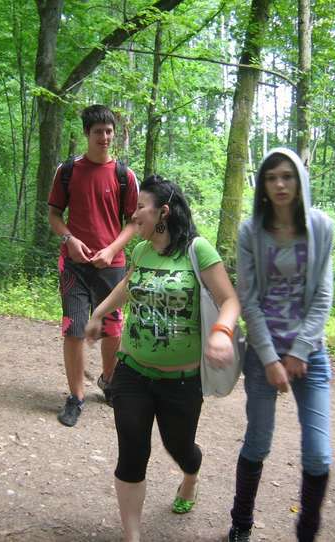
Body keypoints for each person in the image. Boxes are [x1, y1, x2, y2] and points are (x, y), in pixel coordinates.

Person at [85, 175, 240, 542]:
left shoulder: (198, 250)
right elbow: (127, 286)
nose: (134, 214)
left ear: (164, 212)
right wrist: (99, 313)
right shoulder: (140, 251)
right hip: (132, 372)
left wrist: (222, 332)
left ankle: (190, 476)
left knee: (180, 447)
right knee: (131, 452)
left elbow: (230, 300)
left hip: (181, 381)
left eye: (141, 207)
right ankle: (132, 536)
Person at [227, 148, 334, 542]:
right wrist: (271, 359)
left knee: (318, 453)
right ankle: (241, 523)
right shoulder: (250, 232)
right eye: (271, 177)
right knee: (258, 441)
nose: (280, 184)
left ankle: (307, 532)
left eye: (287, 176)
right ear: (263, 185)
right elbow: (248, 298)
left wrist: (300, 351)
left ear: (300, 180)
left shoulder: (321, 227)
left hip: (311, 355)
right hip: (262, 352)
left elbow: (323, 295)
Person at [47, 104, 139, 427]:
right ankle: (76, 396)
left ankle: (109, 381)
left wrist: (112, 249)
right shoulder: (68, 171)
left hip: (112, 266)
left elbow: (134, 222)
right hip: (74, 265)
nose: (104, 137)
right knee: (73, 329)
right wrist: (70, 239)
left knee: (112, 329)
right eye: (98, 131)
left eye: (109, 131)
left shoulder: (125, 176)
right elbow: (54, 214)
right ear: (87, 133)